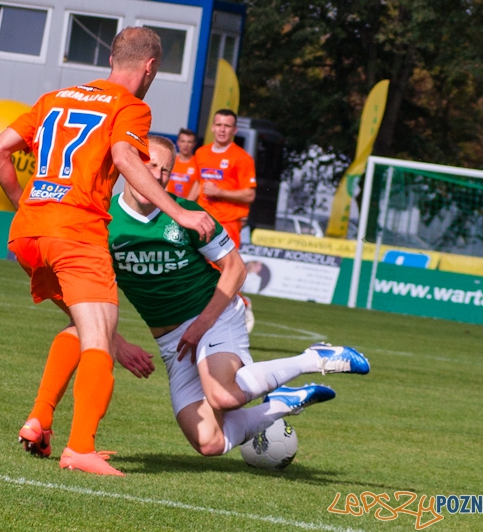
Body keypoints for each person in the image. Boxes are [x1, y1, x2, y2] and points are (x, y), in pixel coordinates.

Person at [0, 27, 215, 477]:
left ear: (113, 58)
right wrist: (181, 213)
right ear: (150, 67)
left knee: (81, 326)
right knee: (99, 339)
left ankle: (40, 420)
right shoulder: (131, 106)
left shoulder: (55, 97)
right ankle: (80, 448)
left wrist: (28, 208)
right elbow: (128, 159)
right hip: (76, 233)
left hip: (30, 233)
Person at [109, 136, 370, 457]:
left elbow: (235, 268)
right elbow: (81, 294)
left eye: (166, 170)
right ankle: (280, 405)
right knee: (210, 443)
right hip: (171, 343)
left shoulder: (186, 213)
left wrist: (201, 324)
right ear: (130, 165)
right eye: (150, 165)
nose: (157, 176)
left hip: (214, 316)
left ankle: (315, 359)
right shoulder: (103, 223)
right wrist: (118, 346)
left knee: (222, 396)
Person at [192, 110, 257, 331]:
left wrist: (220, 192)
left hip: (228, 223)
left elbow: (249, 194)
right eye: (218, 124)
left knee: (225, 273)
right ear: (212, 127)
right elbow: (197, 185)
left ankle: (242, 304)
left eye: (227, 126)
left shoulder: (242, 158)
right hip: (202, 221)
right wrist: (180, 209)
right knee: (200, 272)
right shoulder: (201, 153)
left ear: (234, 130)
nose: (222, 129)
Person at [165, 128, 199, 200]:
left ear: (194, 144)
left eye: (189, 142)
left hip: (187, 205)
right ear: (178, 142)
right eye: (183, 141)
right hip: (168, 202)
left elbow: (198, 187)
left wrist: (186, 205)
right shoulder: (170, 161)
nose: (186, 145)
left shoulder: (198, 163)